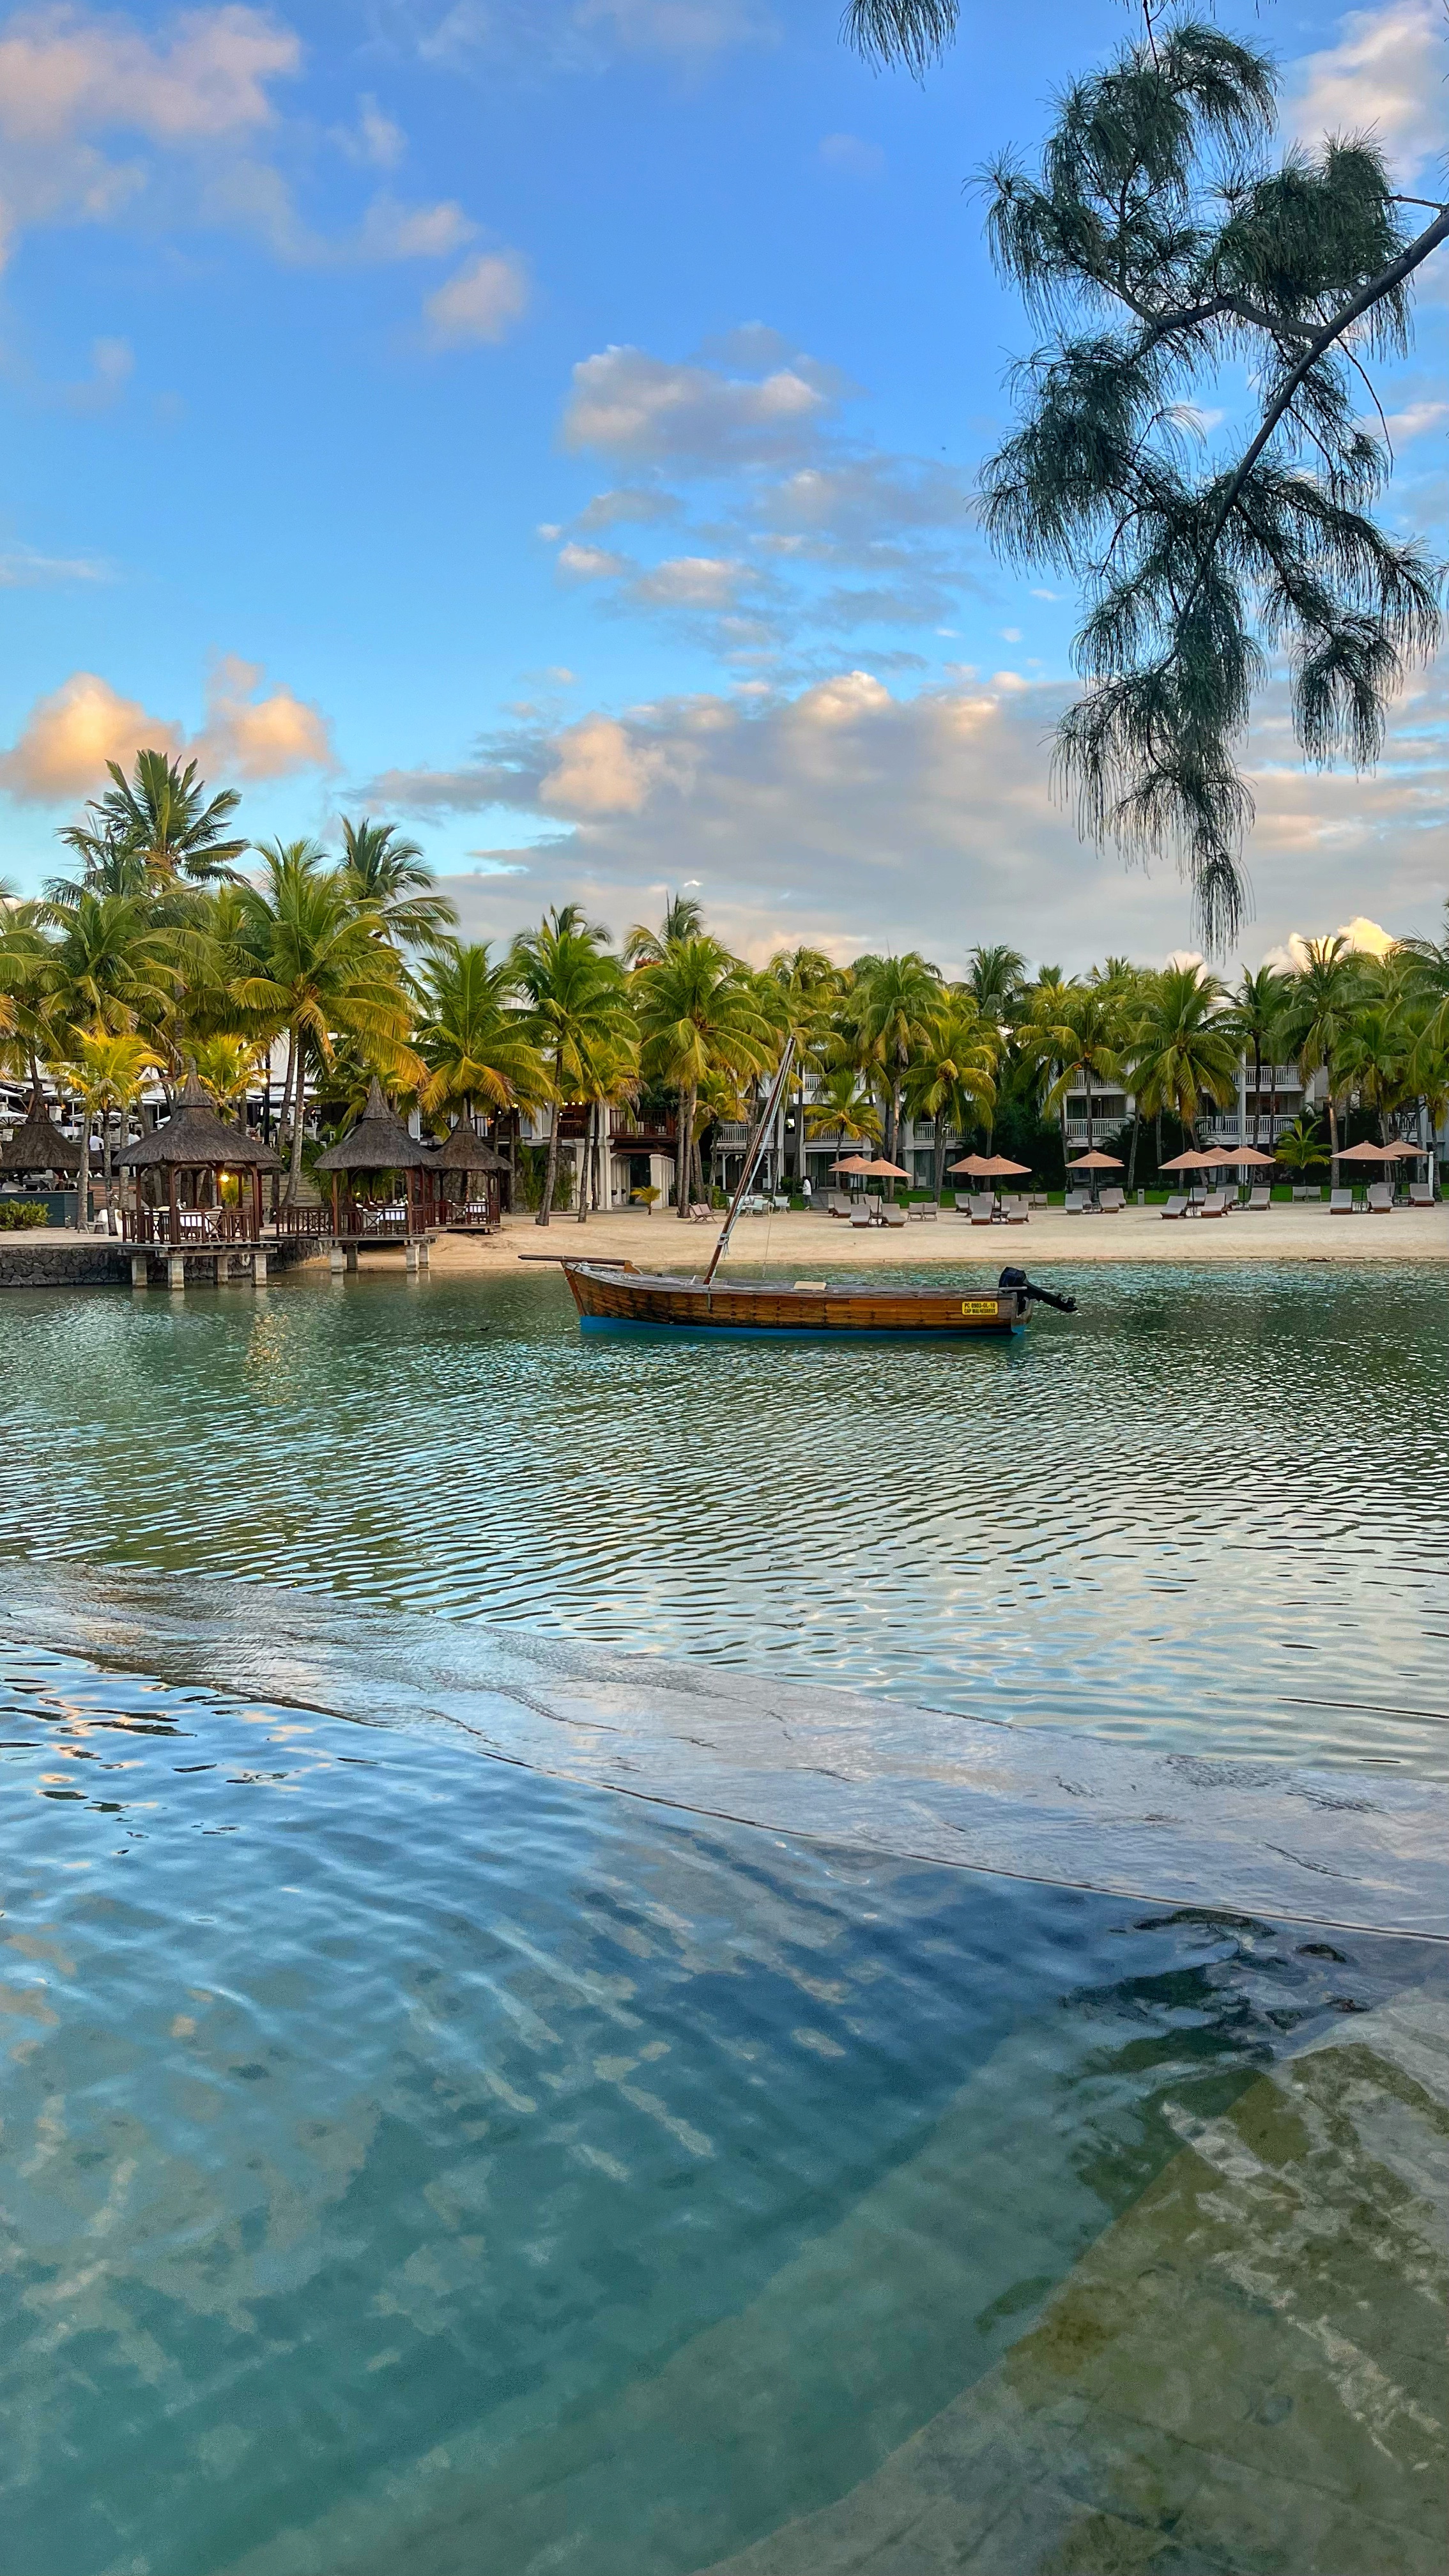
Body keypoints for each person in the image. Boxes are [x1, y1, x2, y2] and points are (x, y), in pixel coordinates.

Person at [999, 1264, 1077, 1315]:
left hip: (1015, 1282)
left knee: (1039, 1294)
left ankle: (1062, 1304)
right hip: (1015, 1283)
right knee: (1039, 1294)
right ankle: (1062, 1304)